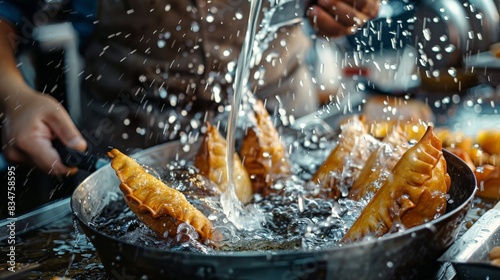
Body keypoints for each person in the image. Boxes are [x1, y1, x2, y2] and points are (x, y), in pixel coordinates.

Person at [0, 0, 379, 177]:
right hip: (132, 149)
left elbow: (347, 9)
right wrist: (14, 97)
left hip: (284, 130)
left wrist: (348, 10)